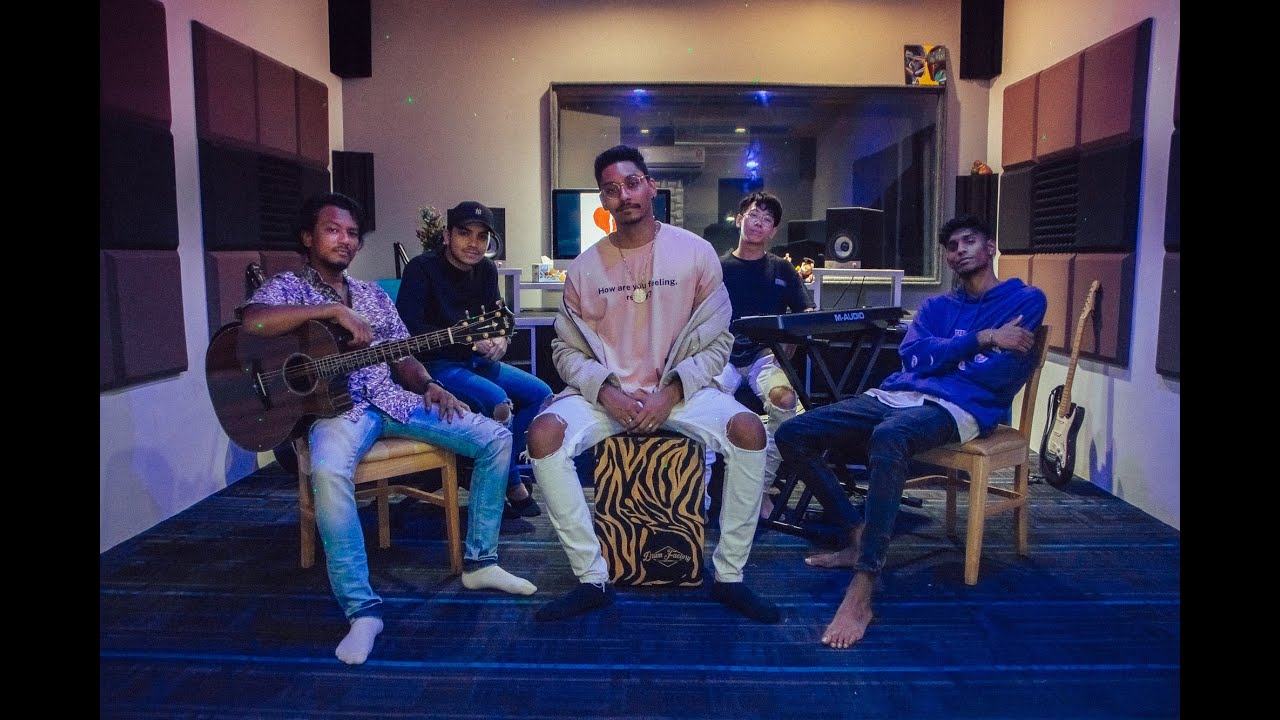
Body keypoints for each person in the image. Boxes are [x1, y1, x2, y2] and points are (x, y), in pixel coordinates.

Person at [241, 192, 536, 665]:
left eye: (352, 233)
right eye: (333, 230)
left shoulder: (374, 296)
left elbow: (402, 355)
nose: (345, 240)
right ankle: (362, 611)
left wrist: (431, 385)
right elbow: (253, 324)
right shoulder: (288, 288)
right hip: (337, 412)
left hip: (393, 400)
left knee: (496, 438)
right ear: (307, 237)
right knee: (328, 473)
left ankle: (481, 562)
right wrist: (331, 312)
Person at [525, 145, 779, 624]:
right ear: (603, 199)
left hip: (680, 394)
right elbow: (565, 351)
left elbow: (718, 341)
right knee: (543, 435)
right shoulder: (584, 268)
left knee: (750, 432)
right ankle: (591, 577)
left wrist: (672, 392)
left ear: (651, 186)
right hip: (608, 397)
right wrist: (607, 392)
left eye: (632, 183)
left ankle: (730, 575)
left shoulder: (696, 253)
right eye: (611, 189)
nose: (623, 195)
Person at [774, 214, 1046, 650]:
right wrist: (984, 338)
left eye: (969, 241)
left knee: (891, 436)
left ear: (990, 246)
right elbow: (913, 358)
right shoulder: (937, 307)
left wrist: (945, 356)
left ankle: (864, 583)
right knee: (794, 433)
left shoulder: (1026, 300)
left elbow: (996, 377)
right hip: (897, 395)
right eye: (952, 246)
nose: (960, 250)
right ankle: (857, 533)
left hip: (959, 408)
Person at [396, 200, 552, 518]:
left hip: (478, 363)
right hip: (436, 365)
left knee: (543, 395)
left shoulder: (486, 270)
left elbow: (499, 318)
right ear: (446, 235)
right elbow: (407, 330)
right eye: (465, 233)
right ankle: (511, 484)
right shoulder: (421, 269)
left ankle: (494, 469)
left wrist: (502, 340)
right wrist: (466, 339)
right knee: (499, 402)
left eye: (482, 236)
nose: (473, 243)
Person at [712, 190, 814, 518]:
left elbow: (805, 312)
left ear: (773, 231)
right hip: (722, 356)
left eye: (767, 220)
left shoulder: (782, 269)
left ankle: (757, 489)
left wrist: (791, 342)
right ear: (739, 220)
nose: (758, 223)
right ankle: (700, 498)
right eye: (753, 215)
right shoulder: (717, 267)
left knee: (786, 402)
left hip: (765, 357)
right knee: (697, 406)